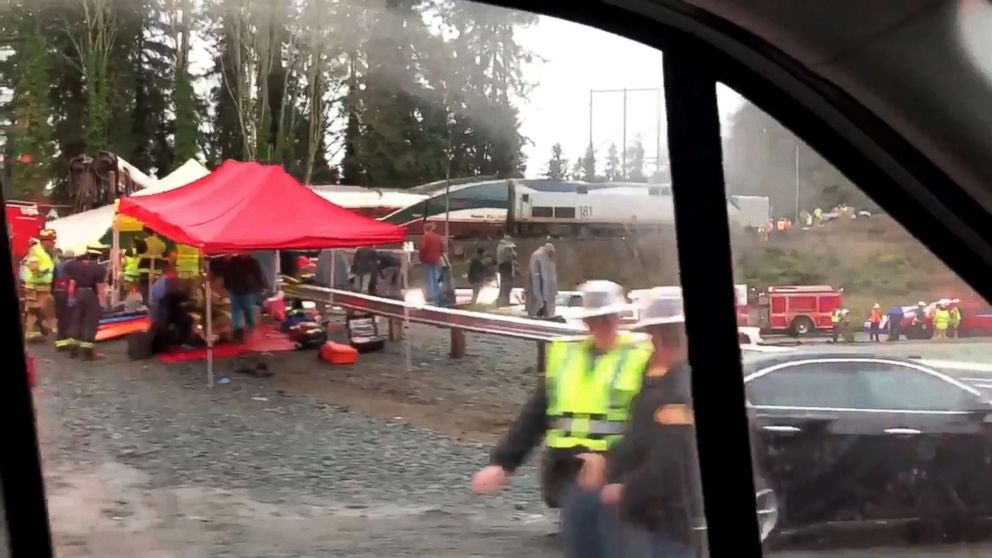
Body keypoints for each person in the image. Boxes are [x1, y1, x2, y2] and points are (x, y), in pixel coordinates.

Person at [471, 281, 653, 558]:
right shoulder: (566, 356)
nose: (600, 325)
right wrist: (503, 463)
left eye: (606, 318)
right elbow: (536, 413)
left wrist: (612, 462)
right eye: (594, 319)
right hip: (569, 471)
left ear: (619, 317)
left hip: (617, 472)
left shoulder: (640, 358)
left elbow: (648, 427)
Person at [576, 292, 702, 558]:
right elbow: (640, 437)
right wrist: (607, 462)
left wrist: (627, 489)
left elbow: (674, 458)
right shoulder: (658, 380)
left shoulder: (680, 387)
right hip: (655, 516)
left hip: (677, 519)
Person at [67, 245, 107, 360]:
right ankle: (87, 352)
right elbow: (100, 288)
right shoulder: (99, 269)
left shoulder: (77, 267)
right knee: (90, 323)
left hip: (78, 294)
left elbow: (72, 285)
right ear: (98, 258)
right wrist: (102, 303)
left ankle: (73, 350)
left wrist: (71, 298)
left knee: (77, 321)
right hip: (90, 295)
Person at [222, 253, 267, 343]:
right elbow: (227, 274)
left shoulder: (252, 262)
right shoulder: (233, 262)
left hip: (248, 290)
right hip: (235, 289)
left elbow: (259, 274)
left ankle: (249, 330)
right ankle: (239, 331)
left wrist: (262, 285)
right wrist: (227, 285)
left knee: (248, 310)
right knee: (236, 311)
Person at [21, 235, 56, 342]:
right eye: (52, 241)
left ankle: (38, 331)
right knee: (35, 310)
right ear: (45, 241)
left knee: (39, 309)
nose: (53, 243)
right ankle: (33, 332)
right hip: (35, 287)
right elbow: (34, 268)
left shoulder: (44, 252)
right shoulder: (35, 251)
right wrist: (45, 272)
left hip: (41, 286)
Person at [52, 249, 77, 351]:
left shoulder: (58, 266)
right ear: (73, 257)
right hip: (69, 294)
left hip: (58, 293)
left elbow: (53, 280)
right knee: (71, 318)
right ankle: (70, 341)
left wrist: (52, 293)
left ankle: (60, 343)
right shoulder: (75, 266)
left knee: (61, 318)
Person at [526, 243, 558, 318]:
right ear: (548, 251)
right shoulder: (540, 256)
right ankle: (539, 313)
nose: (551, 255)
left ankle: (539, 312)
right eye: (551, 253)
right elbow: (544, 275)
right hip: (538, 283)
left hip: (538, 283)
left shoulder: (542, 256)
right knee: (537, 301)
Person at [419, 223, 443, 303]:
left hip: (427, 260)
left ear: (424, 229)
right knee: (435, 278)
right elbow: (442, 248)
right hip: (436, 260)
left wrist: (421, 257)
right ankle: (437, 295)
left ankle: (430, 297)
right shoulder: (438, 237)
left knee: (428, 278)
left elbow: (423, 248)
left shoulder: (426, 237)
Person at [496, 234, 518, 306]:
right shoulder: (507, 246)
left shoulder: (500, 245)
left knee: (504, 285)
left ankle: (502, 301)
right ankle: (503, 301)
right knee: (507, 285)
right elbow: (514, 254)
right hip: (507, 266)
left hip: (502, 266)